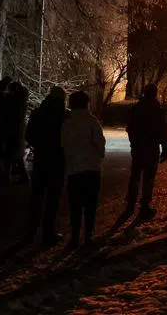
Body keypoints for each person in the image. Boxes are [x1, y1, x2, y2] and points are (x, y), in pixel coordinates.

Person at [60, 90, 105, 250]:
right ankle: (88, 237)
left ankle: (74, 237)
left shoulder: (67, 122)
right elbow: (100, 144)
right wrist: (98, 155)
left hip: (74, 169)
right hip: (91, 169)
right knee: (90, 205)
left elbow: (64, 144)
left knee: (75, 206)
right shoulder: (92, 122)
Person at [24, 85, 67, 246]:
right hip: (57, 160)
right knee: (52, 199)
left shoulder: (38, 113)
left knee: (36, 198)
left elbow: (29, 135)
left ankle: (30, 233)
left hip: (40, 159)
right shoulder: (64, 116)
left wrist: (39, 146)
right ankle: (48, 234)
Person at [122, 83, 167, 221]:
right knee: (148, 178)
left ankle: (131, 202)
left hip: (137, 148)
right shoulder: (157, 110)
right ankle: (144, 207)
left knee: (135, 175)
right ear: (155, 94)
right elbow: (163, 131)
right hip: (151, 148)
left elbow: (129, 127)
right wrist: (165, 148)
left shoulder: (136, 108)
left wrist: (133, 143)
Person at [5, 81, 30, 183]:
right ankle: (22, 176)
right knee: (16, 154)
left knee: (9, 153)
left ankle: (7, 176)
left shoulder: (13, 101)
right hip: (18, 130)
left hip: (13, 130)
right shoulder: (21, 100)